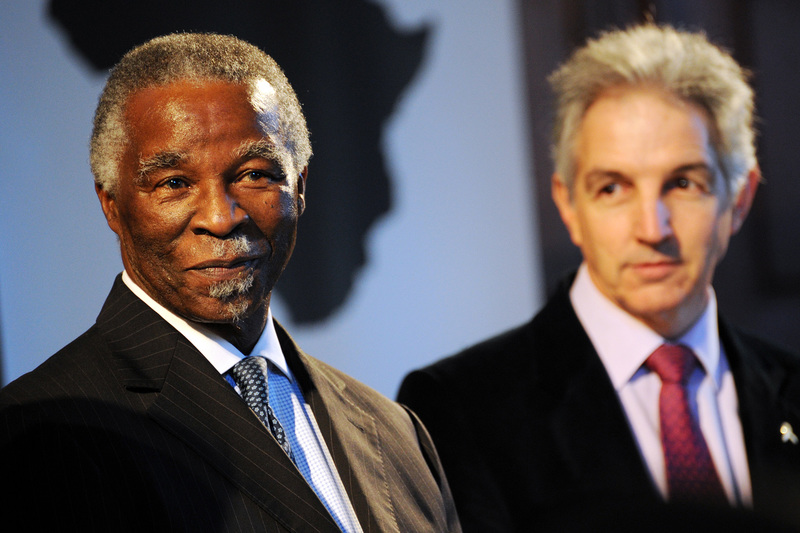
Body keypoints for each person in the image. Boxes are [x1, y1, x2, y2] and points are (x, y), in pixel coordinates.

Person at [0, 33, 460, 533]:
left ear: (299, 186)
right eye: (174, 183)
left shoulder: (397, 434)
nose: (221, 218)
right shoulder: (35, 437)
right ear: (111, 203)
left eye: (255, 174)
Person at [398, 23, 800, 532]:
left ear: (739, 199)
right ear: (568, 204)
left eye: (683, 183)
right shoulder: (456, 412)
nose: (653, 229)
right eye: (613, 188)